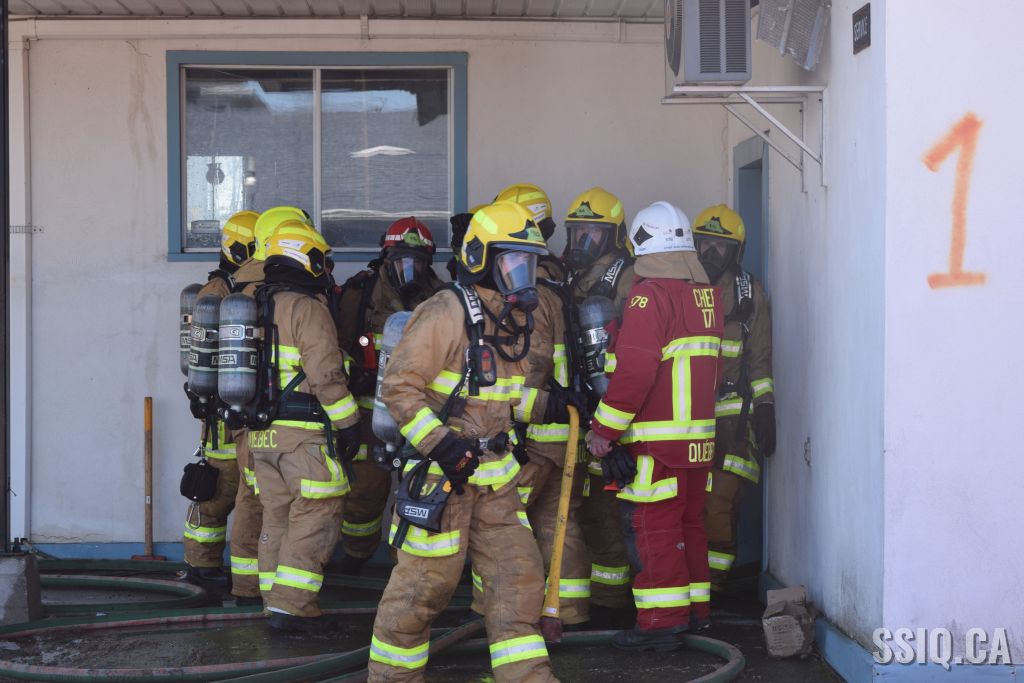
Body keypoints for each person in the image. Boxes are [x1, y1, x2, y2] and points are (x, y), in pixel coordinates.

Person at [368, 201, 580, 683]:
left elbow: (501, 399)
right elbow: (399, 388)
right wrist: (441, 444)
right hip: (441, 483)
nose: (524, 275)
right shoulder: (445, 312)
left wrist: (549, 405)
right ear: (482, 258)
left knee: (518, 582)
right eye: (514, 262)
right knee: (421, 592)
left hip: (497, 483)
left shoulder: (510, 320)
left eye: (529, 263)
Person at [587, 201, 723, 650]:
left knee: (654, 529)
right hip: (697, 445)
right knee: (689, 527)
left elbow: (634, 374)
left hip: (657, 445)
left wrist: (603, 431)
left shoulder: (649, 296)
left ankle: (662, 623)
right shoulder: (707, 296)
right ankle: (696, 614)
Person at [468, 185, 591, 631]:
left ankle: (493, 611)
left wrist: (519, 414)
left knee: (501, 524)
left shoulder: (529, 299)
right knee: (560, 525)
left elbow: (528, 370)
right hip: (559, 436)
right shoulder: (557, 283)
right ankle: (568, 611)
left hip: (532, 437)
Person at [247, 223, 362, 632]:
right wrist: (349, 425)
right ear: (304, 258)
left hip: (262, 436)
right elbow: (325, 374)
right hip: (303, 436)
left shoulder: (255, 303)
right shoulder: (306, 308)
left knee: (276, 518)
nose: (326, 269)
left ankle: (273, 602)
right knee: (316, 514)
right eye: (321, 260)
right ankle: (293, 608)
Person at [331, 217, 444, 575]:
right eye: (401, 261)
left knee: (417, 489)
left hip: (422, 412)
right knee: (365, 489)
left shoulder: (442, 300)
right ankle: (356, 554)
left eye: (418, 262)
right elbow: (336, 346)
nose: (410, 270)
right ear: (386, 258)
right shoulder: (360, 294)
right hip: (369, 412)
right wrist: (355, 376)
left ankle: (405, 566)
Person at [225, 206, 314, 605]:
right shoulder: (274, 292)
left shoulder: (243, 290)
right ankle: (262, 592)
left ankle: (252, 587)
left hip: (251, 415)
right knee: (264, 502)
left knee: (257, 499)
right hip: (276, 419)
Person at [692, 204, 775, 590]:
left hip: (733, 420)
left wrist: (766, 407)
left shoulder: (748, 294)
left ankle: (714, 587)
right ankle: (691, 584)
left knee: (720, 505)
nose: (710, 252)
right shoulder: (681, 285)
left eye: (719, 246)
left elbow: (759, 359)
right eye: (704, 243)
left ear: (736, 251)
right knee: (687, 503)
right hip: (685, 416)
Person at [563, 187, 636, 623]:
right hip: (582, 413)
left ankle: (612, 606)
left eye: (592, 233)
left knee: (608, 516)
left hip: (611, 417)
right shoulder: (575, 277)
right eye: (577, 232)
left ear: (616, 235)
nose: (582, 241)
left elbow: (632, 360)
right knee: (587, 512)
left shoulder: (627, 279)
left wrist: (615, 432)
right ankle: (596, 599)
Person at [181, 210, 258, 592]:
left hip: (248, 409)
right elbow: (203, 355)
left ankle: (239, 575)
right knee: (216, 493)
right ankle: (201, 566)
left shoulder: (253, 288)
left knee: (250, 494)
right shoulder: (217, 292)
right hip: (220, 413)